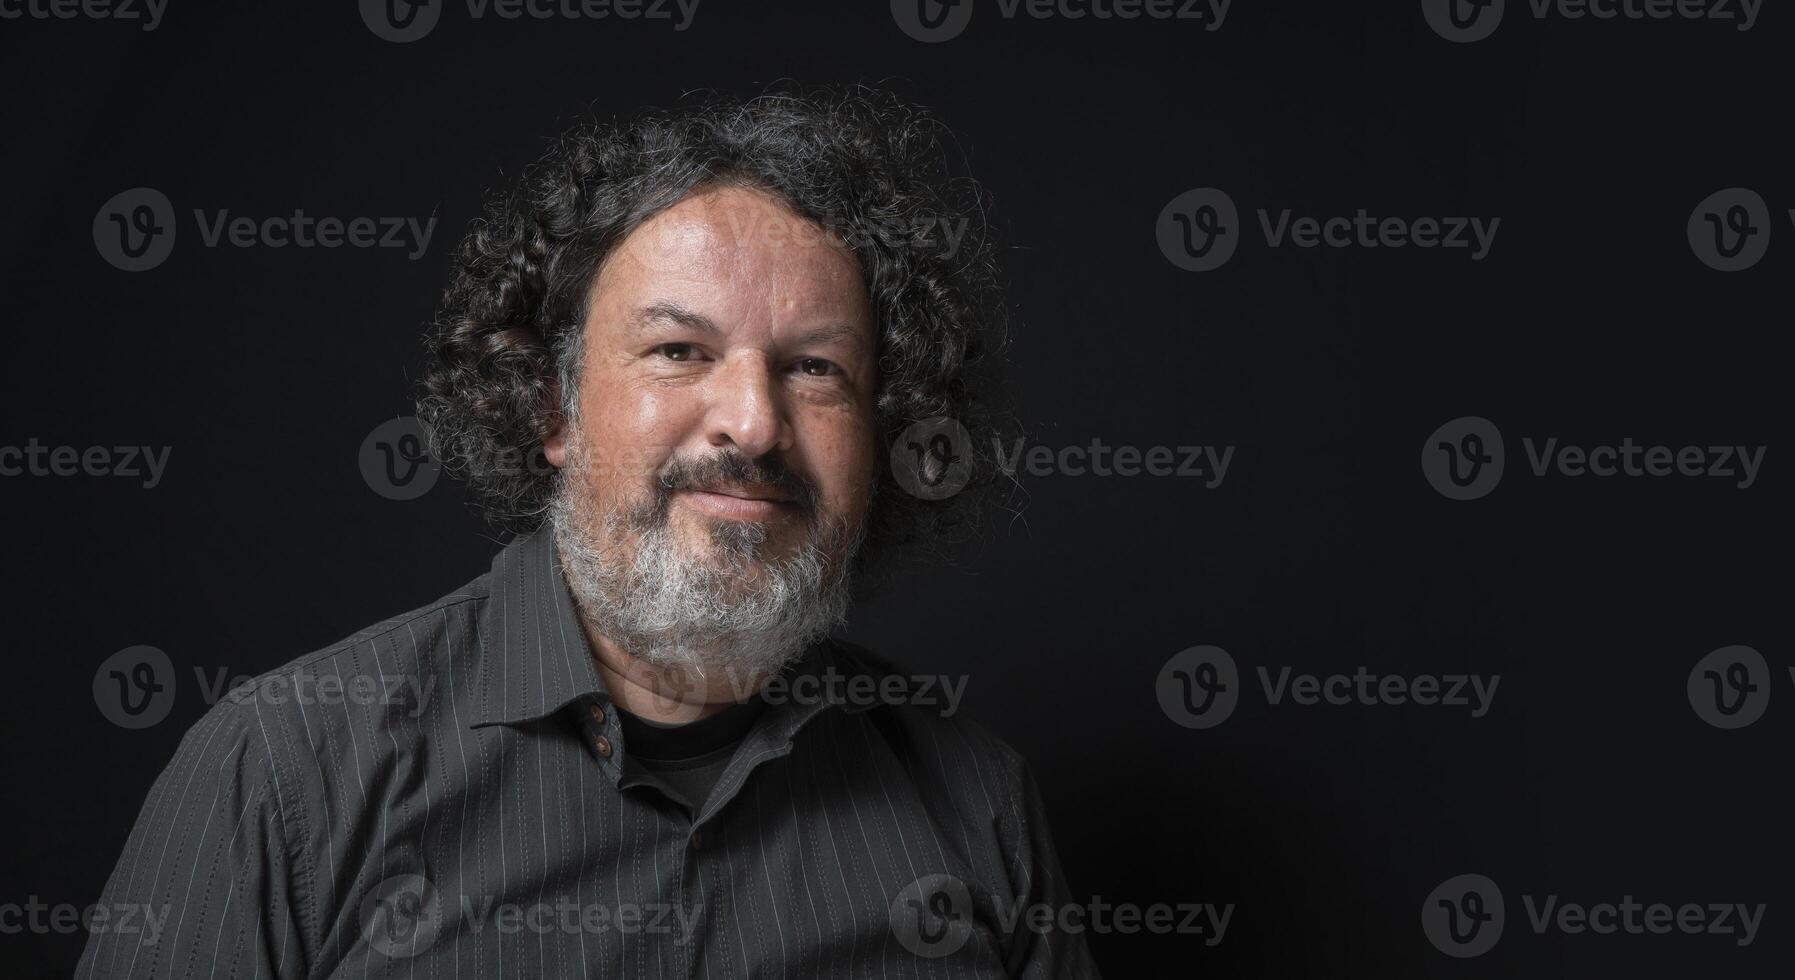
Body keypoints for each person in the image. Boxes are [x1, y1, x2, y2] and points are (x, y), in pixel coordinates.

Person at [78, 85, 1099, 978]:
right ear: (549, 407)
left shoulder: (974, 801)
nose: (752, 419)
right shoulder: (280, 774)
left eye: (815, 368)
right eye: (677, 348)